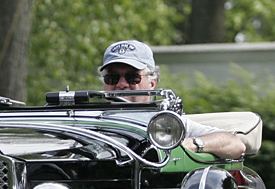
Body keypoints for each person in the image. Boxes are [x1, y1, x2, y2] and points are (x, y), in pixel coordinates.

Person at [99, 40, 246, 160]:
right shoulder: (85, 120)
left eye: (132, 77)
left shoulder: (165, 123)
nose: (121, 84)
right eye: (112, 78)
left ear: (152, 82)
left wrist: (192, 144)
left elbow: (235, 145)